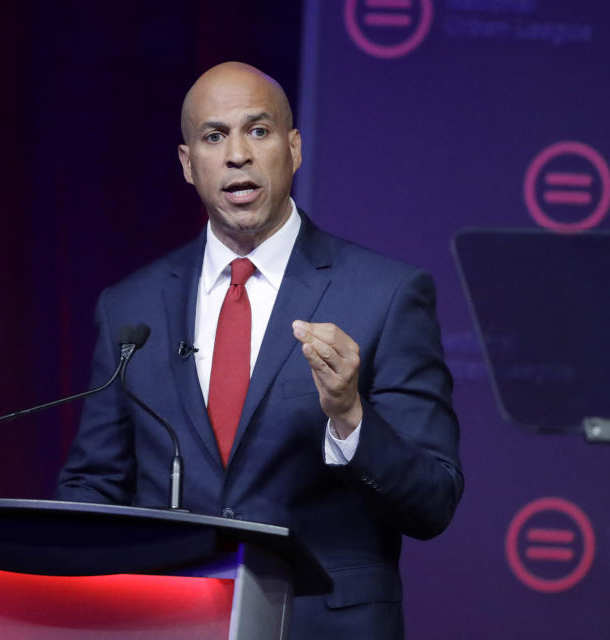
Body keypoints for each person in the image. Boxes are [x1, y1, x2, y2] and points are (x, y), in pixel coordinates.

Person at [56, 61, 463, 639]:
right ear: (187, 163)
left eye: (259, 130)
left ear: (293, 149)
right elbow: (94, 484)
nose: (237, 155)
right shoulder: (130, 307)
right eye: (214, 136)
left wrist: (350, 418)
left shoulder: (386, 294)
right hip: (167, 622)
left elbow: (434, 502)